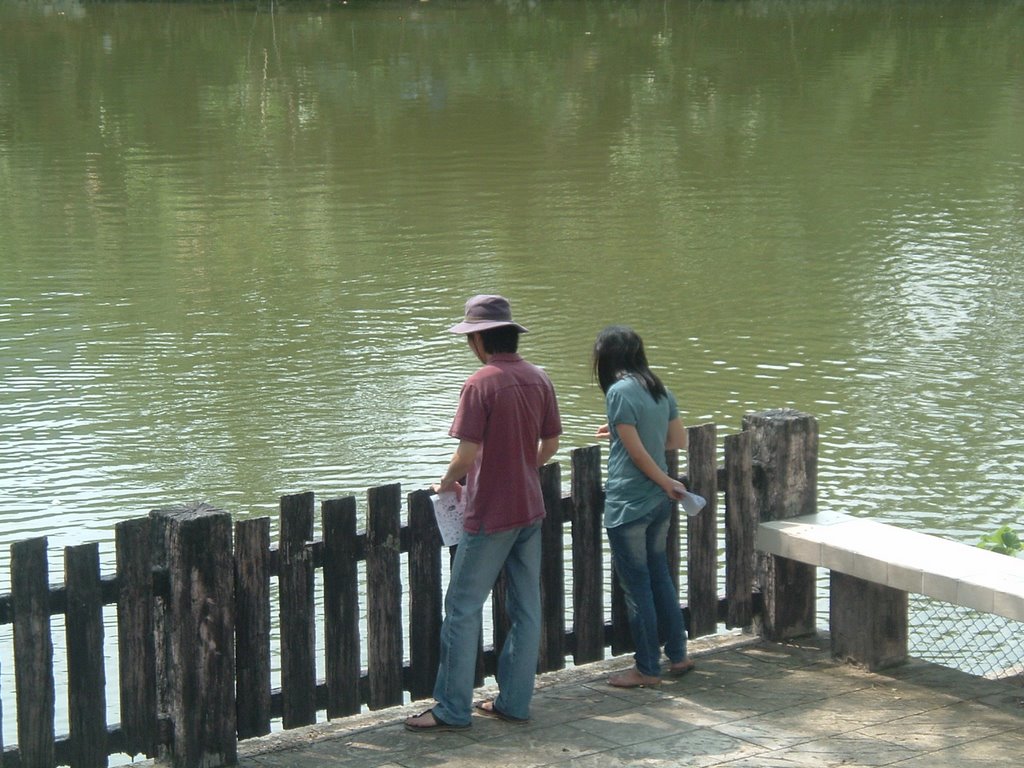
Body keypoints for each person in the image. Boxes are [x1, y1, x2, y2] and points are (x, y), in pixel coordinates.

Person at [405, 294, 562, 732]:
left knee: (462, 607)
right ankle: (514, 703)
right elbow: (550, 445)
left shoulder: (481, 384)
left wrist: (446, 481)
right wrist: (522, 469)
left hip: (490, 514)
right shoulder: (539, 378)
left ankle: (452, 710)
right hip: (530, 510)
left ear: (479, 340)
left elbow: (466, 454)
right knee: (527, 608)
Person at [592, 325, 694, 688]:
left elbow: (635, 454)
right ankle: (678, 655)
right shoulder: (659, 387)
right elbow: (677, 439)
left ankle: (647, 668)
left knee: (637, 588)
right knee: (660, 577)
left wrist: (663, 479)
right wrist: (621, 430)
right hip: (658, 505)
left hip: (629, 503)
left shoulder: (618, 391)